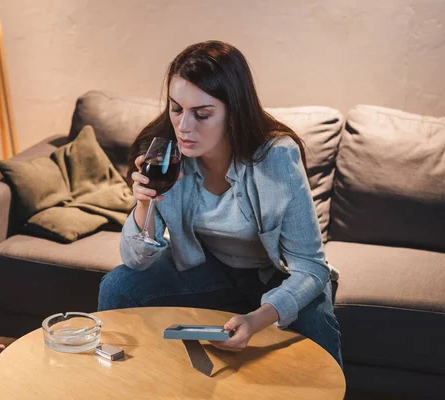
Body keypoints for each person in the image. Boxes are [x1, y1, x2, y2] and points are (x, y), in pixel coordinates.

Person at [97, 40, 342, 367]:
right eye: (176, 109)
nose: (184, 127)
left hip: (277, 275)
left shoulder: (276, 158)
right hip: (209, 270)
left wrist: (256, 320)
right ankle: (122, 380)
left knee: (315, 322)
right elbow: (135, 260)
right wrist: (144, 204)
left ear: (232, 114)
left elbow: (311, 267)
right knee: (119, 284)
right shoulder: (164, 156)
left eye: (202, 114)